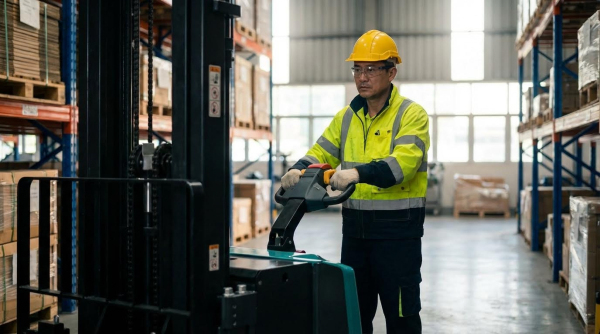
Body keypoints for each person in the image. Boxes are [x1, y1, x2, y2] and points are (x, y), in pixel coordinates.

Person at [281, 30, 429, 334]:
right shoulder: (346, 117)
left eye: (371, 69)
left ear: (391, 73)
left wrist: (357, 173)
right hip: (356, 234)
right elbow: (322, 151)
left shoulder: (411, 114)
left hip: (398, 235)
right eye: (357, 69)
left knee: (401, 317)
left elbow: (402, 166)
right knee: (353, 316)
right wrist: (297, 169)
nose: (362, 77)